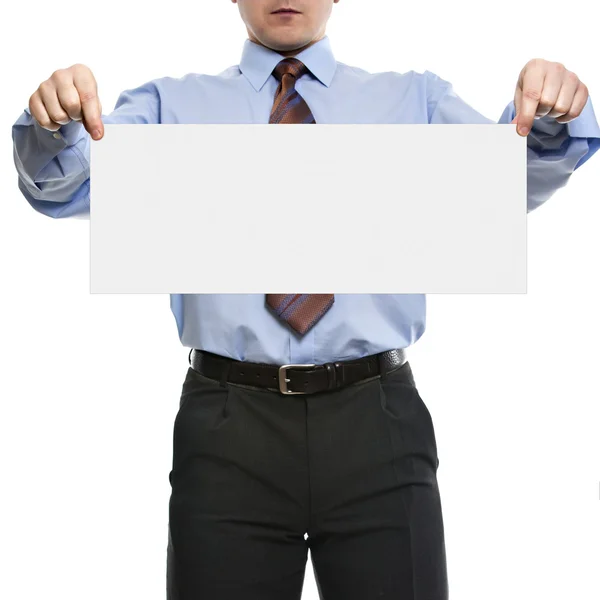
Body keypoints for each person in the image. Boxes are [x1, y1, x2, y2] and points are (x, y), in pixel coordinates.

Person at [11, 1, 600, 598]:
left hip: (378, 421)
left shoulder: (414, 102)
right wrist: (55, 122)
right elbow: (69, 179)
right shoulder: (168, 108)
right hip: (227, 428)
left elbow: (506, 186)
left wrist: (551, 112)